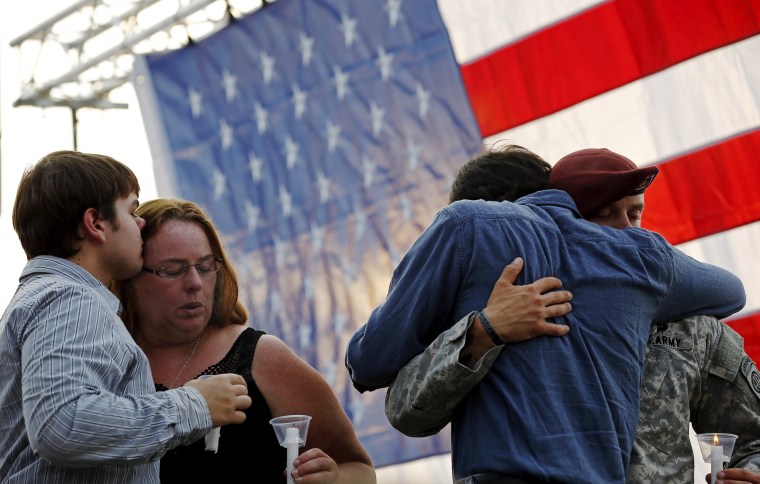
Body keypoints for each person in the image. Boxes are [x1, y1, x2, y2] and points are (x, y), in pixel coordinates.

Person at [344, 144, 746, 483]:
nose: (627, 231)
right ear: (567, 209)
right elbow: (405, 410)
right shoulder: (644, 261)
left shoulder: (688, 317)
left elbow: (369, 362)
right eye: (603, 215)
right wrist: (482, 332)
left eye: (635, 213)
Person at [0, 151, 252, 483]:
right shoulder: (70, 298)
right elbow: (60, 423)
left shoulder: (43, 297)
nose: (141, 223)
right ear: (96, 224)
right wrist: (194, 405)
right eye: (132, 210)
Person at [110, 198, 375, 484]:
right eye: (172, 270)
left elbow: (359, 469)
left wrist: (333, 478)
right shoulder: (105, 364)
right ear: (129, 276)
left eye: (205, 265)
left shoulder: (263, 357)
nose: (195, 283)